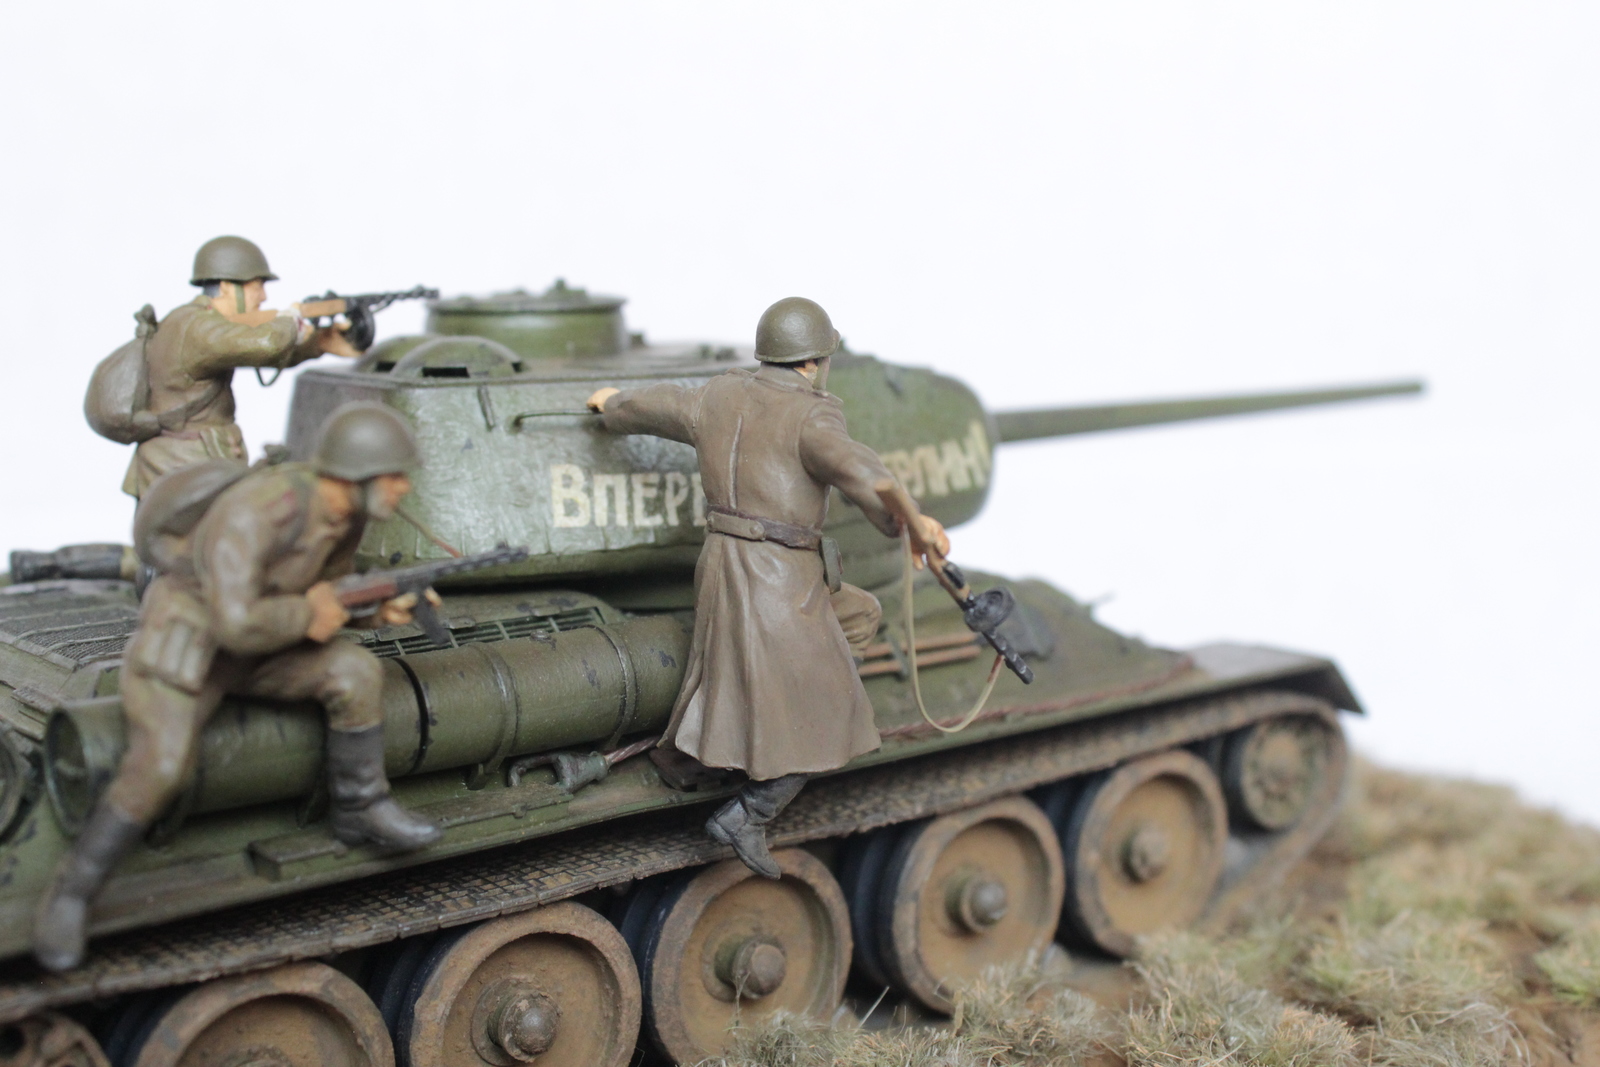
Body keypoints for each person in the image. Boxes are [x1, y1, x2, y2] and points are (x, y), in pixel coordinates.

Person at [34, 402, 441, 972]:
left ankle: (360, 808)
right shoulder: (260, 511)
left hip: (263, 649)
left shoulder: (346, 519)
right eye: (395, 475)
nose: (403, 487)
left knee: (356, 672)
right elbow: (235, 621)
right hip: (192, 647)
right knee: (162, 765)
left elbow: (330, 592)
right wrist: (309, 614)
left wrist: (378, 609)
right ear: (358, 474)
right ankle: (72, 891)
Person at [586, 296, 948, 878]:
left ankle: (763, 719)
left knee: (857, 612)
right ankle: (749, 813)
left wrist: (612, 404)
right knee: (830, 715)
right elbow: (861, 469)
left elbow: (657, 404)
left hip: (723, 562)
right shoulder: (812, 415)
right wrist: (912, 519)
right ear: (813, 361)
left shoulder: (718, 394)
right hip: (776, 575)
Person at [120, 235, 360, 498]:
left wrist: (320, 342)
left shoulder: (194, 321)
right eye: (257, 287)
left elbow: (250, 352)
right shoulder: (199, 327)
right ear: (226, 287)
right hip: (185, 466)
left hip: (184, 460)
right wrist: (291, 320)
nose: (263, 296)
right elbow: (267, 344)